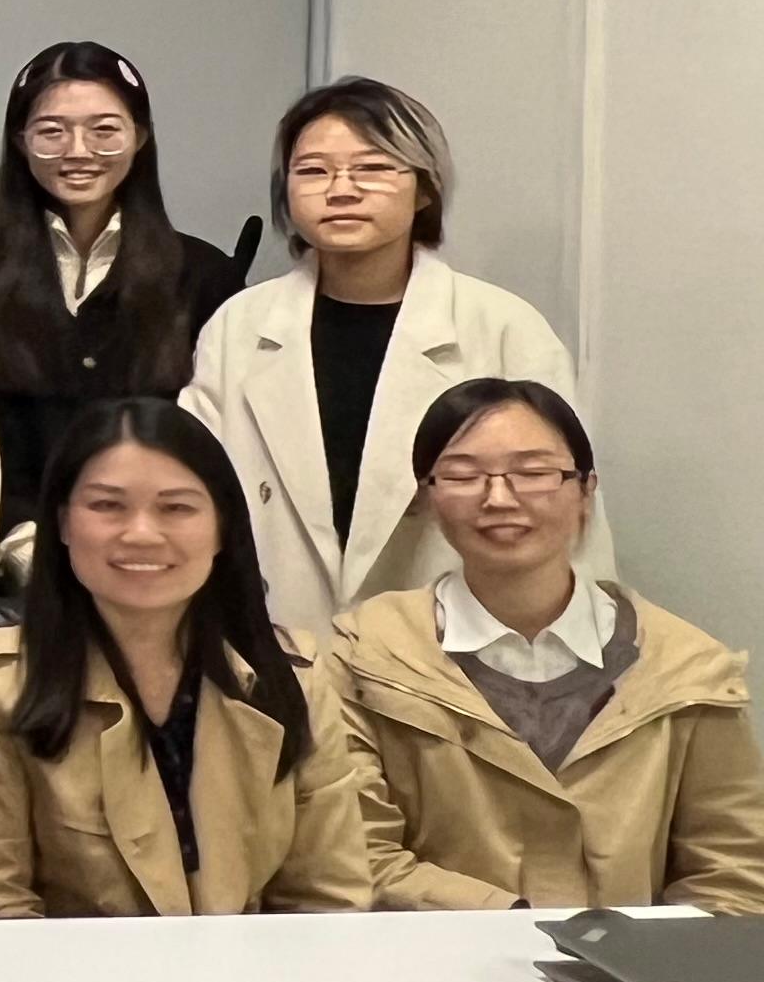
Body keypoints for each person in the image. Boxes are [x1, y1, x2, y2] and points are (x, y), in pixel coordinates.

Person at [185, 77, 603, 648]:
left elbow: (567, 513)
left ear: (424, 190)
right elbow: (194, 489)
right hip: (276, 646)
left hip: (459, 655)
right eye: (313, 171)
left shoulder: (502, 328)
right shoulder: (240, 327)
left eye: (374, 168)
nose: (342, 190)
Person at [323, 380, 764, 914]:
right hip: (432, 959)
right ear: (427, 496)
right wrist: (515, 924)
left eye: (532, 473)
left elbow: (732, 870)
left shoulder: (685, 669)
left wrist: (636, 958)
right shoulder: (366, 656)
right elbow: (353, 851)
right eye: (462, 475)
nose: (499, 499)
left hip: (634, 967)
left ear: (585, 490)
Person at [0, 400, 370, 917]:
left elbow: (328, 897)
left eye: (176, 508)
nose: (141, 533)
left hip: (258, 968)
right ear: (63, 523)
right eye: (107, 505)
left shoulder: (292, 677)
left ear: (222, 527)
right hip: (69, 968)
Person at [0, 42, 246, 568]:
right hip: (4, 561)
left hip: (154, 558)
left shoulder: (204, 276)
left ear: (139, 137)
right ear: (20, 140)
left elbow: (219, 440)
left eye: (104, 130)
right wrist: (19, 540)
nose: (78, 151)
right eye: (52, 131)